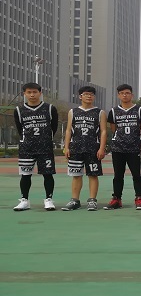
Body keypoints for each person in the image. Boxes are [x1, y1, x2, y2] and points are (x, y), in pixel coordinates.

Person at [13, 82, 59, 211]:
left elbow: (53, 127)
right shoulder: (19, 110)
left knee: (48, 174)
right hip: (27, 148)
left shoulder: (50, 108)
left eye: (34, 92)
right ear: (25, 94)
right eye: (29, 92)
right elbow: (20, 128)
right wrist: (27, 140)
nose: (32, 95)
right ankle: (24, 200)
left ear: (40, 93)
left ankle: (49, 199)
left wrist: (45, 139)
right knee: (25, 174)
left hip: (45, 148)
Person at [62, 86, 107, 211]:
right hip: (76, 147)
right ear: (80, 96)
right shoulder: (73, 112)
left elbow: (103, 131)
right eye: (86, 94)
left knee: (93, 175)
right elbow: (68, 130)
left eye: (91, 94)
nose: (89, 96)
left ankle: (92, 200)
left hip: (93, 148)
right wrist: (66, 147)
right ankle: (75, 200)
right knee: (76, 175)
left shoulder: (100, 112)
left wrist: (102, 148)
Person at [104, 84, 141, 210]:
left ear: (132, 95)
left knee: (136, 175)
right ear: (118, 95)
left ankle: (139, 198)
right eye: (122, 93)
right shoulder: (113, 111)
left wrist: (134, 140)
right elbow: (113, 129)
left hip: (133, 148)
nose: (125, 95)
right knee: (118, 175)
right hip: (118, 148)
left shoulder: (139, 110)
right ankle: (117, 199)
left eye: (127, 93)